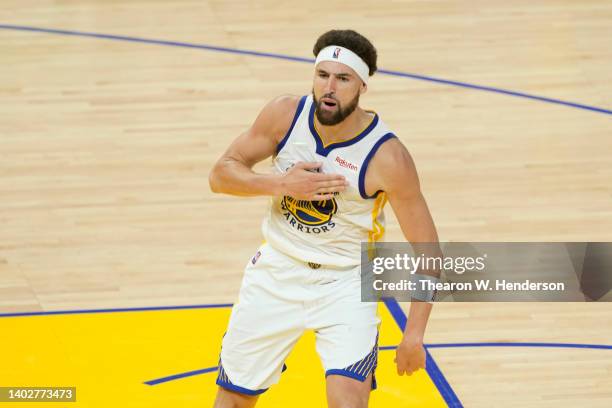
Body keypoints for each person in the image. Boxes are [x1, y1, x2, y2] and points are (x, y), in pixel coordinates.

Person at [209, 29, 439, 408]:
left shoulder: (389, 158)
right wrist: (281, 184)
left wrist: (414, 334)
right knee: (231, 400)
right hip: (277, 270)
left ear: (362, 85)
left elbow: (429, 253)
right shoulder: (284, 115)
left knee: (348, 402)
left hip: (346, 281)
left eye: (343, 78)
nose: (329, 88)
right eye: (322, 76)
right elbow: (220, 175)